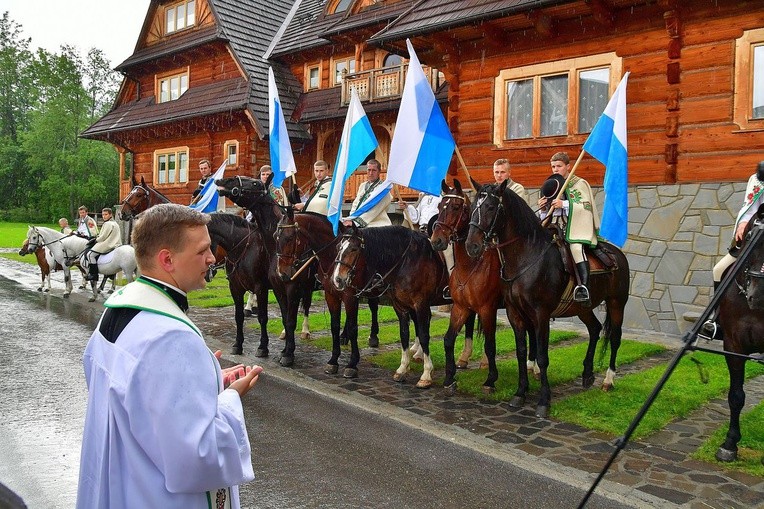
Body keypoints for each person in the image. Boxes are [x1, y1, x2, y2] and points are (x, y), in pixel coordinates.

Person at [76, 203, 262, 509]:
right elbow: (197, 457)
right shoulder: (171, 338)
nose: (212, 258)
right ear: (167, 259)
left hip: (123, 486)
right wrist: (228, 398)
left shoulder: (118, 311)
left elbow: (137, 395)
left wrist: (205, 379)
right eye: (202, 250)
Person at [702, 161, 764, 339]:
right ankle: (716, 321)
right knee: (719, 270)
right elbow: (750, 207)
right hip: (757, 239)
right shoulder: (757, 178)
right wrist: (743, 224)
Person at [537, 152, 600, 304]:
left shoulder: (579, 183)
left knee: (576, 248)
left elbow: (586, 206)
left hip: (575, 228)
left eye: (559, 166)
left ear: (568, 167)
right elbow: (545, 216)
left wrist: (565, 204)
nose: (555, 169)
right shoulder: (550, 185)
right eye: (553, 166)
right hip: (555, 228)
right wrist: (544, 208)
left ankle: (584, 287)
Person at [342, 159, 392, 227]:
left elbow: (375, 210)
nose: (371, 173)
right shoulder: (363, 185)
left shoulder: (383, 189)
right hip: (357, 221)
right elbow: (356, 204)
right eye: (369, 170)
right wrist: (351, 217)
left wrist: (356, 222)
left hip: (377, 225)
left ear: (379, 172)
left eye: (374, 170)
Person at [84, 208, 122, 282]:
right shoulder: (115, 223)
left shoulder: (107, 223)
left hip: (108, 244)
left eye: (106, 214)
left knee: (90, 255)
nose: (104, 216)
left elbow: (103, 237)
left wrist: (95, 240)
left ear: (110, 214)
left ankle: (93, 274)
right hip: (117, 243)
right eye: (103, 215)